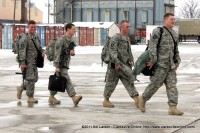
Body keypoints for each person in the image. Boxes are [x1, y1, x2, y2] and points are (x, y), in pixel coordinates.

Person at [138, 13, 184, 115]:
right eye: (171, 19)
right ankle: (143, 99)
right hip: (160, 65)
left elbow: (176, 50)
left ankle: (173, 107)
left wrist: (177, 61)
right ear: (165, 20)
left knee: (172, 86)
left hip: (170, 66)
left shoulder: (174, 34)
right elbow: (152, 47)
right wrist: (153, 60)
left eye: (174, 19)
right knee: (155, 85)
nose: (173, 21)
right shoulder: (158, 31)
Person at [103, 20, 139, 108]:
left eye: (129, 26)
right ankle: (106, 100)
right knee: (110, 84)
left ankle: (137, 99)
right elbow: (112, 51)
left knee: (129, 81)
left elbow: (128, 51)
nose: (128, 28)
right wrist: (116, 63)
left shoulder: (126, 38)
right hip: (114, 66)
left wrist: (130, 59)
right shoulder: (115, 38)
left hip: (124, 65)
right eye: (127, 26)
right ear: (121, 27)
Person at [49, 23, 82, 106]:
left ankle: (51, 97)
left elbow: (70, 50)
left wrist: (72, 52)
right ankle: (74, 97)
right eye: (73, 29)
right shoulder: (61, 40)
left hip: (65, 64)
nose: (75, 31)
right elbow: (57, 53)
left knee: (57, 80)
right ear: (68, 29)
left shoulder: (71, 40)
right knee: (66, 79)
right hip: (60, 64)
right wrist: (56, 66)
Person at [17, 20, 45, 103]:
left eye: (34, 27)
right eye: (31, 27)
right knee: (31, 78)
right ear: (28, 27)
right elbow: (22, 51)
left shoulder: (36, 37)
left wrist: (42, 51)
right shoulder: (25, 38)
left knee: (34, 78)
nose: (33, 28)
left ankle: (21, 88)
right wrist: (22, 63)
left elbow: (39, 47)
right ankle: (30, 97)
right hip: (27, 62)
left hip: (34, 62)